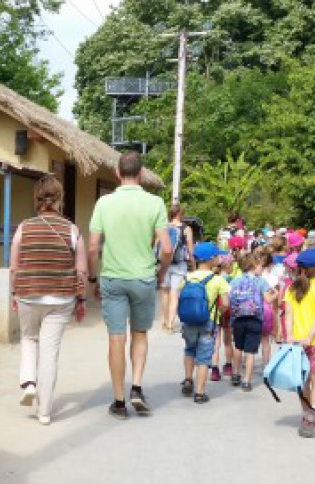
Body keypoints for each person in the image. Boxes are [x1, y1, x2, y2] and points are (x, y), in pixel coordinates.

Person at [88, 151, 172, 420]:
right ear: (141, 172)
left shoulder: (104, 203)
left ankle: (119, 401)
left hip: (112, 277)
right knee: (140, 334)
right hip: (143, 278)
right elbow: (167, 248)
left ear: (117, 173)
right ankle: (136, 387)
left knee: (116, 337)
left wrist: (93, 277)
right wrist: (161, 274)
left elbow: (92, 247)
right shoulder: (155, 203)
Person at [10, 175, 87, 426]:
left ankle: (29, 382)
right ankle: (44, 411)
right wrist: (82, 300)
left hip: (28, 294)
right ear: (60, 199)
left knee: (29, 338)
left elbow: (14, 267)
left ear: (37, 199)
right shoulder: (72, 230)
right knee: (50, 353)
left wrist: (14, 293)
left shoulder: (24, 227)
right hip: (61, 298)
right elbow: (82, 271)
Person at [284, 248, 315, 438]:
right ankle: (312, 415)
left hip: (296, 342)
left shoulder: (292, 288)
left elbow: (289, 314)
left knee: (302, 379)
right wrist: (311, 337)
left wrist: (290, 335)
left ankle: (307, 415)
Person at [179, 242, 230, 404]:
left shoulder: (187, 277)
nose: (218, 258)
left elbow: (181, 296)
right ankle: (200, 393)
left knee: (189, 349)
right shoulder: (218, 280)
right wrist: (218, 313)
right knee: (204, 357)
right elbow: (226, 303)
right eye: (216, 256)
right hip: (208, 321)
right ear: (210, 259)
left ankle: (188, 380)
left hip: (188, 320)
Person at [228, 254, 276, 391]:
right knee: (250, 351)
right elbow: (268, 299)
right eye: (260, 266)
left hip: (238, 319)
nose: (261, 268)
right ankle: (247, 381)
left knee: (238, 347)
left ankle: (236, 374)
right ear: (253, 266)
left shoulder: (235, 281)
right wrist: (276, 294)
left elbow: (230, 297)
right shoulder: (260, 281)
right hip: (255, 320)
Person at [159, 205, 195, 333]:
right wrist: (193, 265)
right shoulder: (186, 229)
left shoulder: (163, 226)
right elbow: (190, 250)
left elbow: (157, 246)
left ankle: (164, 320)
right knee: (175, 294)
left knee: (164, 292)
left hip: (164, 264)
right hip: (179, 265)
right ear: (180, 214)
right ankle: (170, 323)